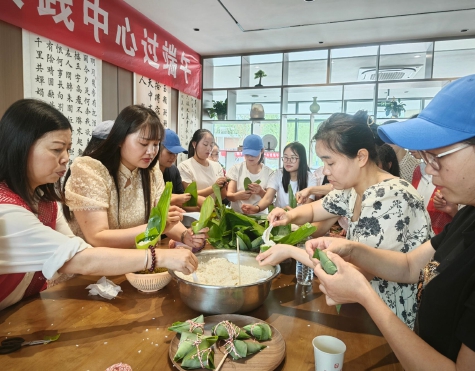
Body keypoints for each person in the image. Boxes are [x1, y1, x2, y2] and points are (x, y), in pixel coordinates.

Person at [306, 74, 475, 368]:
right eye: (425, 158)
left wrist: (363, 294)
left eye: (437, 157)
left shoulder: (391, 194)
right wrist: (351, 250)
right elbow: (411, 266)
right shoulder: (469, 215)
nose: (430, 173)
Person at [0, 99, 197, 311]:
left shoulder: (47, 202)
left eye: (68, 149)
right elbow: (80, 257)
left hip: (31, 301)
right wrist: (159, 254)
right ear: (20, 147)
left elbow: (76, 247)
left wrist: (185, 235)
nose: (66, 159)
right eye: (57, 150)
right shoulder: (7, 212)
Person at [262, 110, 433, 329]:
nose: (325, 171)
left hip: (391, 317)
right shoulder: (353, 188)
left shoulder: (390, 195)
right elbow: (317, 209)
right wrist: (289, 215)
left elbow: (356, 273)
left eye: (330, 163)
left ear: (361, 157)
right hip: (366, 308)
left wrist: (289, 251)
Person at [63, 105, 206, 250]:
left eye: (156, 144)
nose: (151, 151)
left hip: (139, 262)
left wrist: (185, 236)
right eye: (144, 143)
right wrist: (155, 227)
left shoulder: (152, 173)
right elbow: (97, 237)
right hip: (95, 267)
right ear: (120, 139)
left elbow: (164, 219)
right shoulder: (90, 169)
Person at [242, 142, 316, 214]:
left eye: (293, 158)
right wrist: (256, 208)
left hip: (300, 220)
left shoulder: (310, 179)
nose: (288, 161)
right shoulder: (278, 174)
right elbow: (268, 198)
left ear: (302, 160)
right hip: (279, 219)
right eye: (286, 157)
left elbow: (307, 206)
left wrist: (288, 212)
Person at [226, 135, 275, 214]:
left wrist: (261, 192)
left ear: (262, 151)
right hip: (237, 217)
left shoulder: (269, 173)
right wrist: (237, 196)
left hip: (260, 219)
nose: (250, 157)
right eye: (247, 154)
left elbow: (271, 200)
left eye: (253, 154)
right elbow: (229, 195)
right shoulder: (236, 169)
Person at [178, 129, 227, 199]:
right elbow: (190, 194)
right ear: (194, 144)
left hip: (214, 209)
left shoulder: (217, 166)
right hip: (196, 210)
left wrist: (223, 187)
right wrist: (214, 187)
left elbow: (222, 197)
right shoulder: (185, 166)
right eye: (205, 144)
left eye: (211, 145)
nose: (209, 148)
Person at [157, 129, 192, 208]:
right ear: (157, 149)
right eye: (170, 152)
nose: (174, 157)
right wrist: (175, 199)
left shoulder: (174, 170)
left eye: (176, 153)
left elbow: (181, 197)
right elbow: (152, 200)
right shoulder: (148, 172)